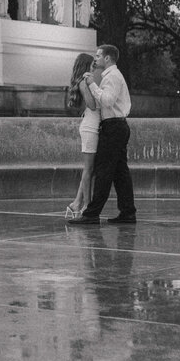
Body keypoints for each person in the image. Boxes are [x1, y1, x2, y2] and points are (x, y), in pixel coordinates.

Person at [68, 44, 135, 225]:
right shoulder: (110, 76)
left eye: (98, 56)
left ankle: (91, 213)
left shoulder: (112, 76)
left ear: (107, 58)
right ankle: (128, 212)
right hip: (115, 126)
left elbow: (106, 100)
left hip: (113, 127)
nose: (95, 58)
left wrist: (91, 85)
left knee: (104, 171)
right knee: (120, 172)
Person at [65, 52, 100, 219]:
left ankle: (76, 204)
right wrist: (93, 85)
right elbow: (93, 105)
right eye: (92, 65)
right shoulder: (84, 83)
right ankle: (86, 206)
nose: (94, 68)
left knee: (91, 170)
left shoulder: (84, 82)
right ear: (86, 66)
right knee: (88, 169)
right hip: (90, 128)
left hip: (92, 126)